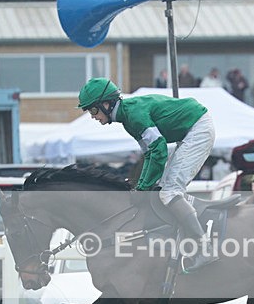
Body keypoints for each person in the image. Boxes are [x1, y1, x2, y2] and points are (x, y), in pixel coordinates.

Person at [77, 77, 216, 270]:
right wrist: (140, 186)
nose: (92, 116)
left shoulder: (133, 115)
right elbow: (150, 155)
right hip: (189, 129)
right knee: (161, 188)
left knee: (170, 192)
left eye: (93, 110)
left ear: (107, 104)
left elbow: (158, 150)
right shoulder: (127, 118)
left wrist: (142, 188)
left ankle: (204, 247)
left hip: (197, 129)